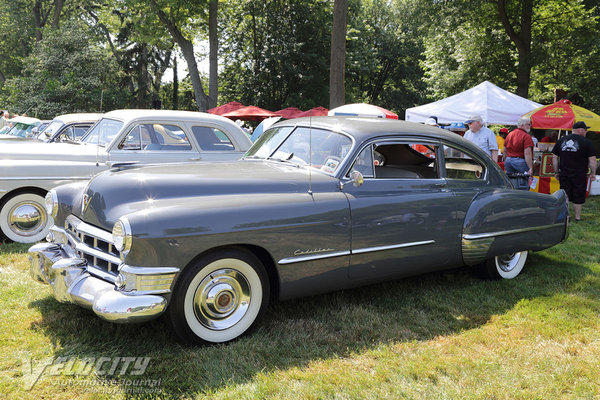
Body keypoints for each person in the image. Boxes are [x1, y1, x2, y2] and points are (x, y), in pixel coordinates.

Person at [552, 121, 597, 222]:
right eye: (585, 130)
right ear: (580, 130)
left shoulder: (561, 140)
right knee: (578, 194)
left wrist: (556, 171)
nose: (586, 132)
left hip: (564, 173)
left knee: (565, 194)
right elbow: (592, 160)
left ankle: (566, 216)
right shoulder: (586, 142)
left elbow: (554, 157)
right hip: (579, 174)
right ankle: (577, 217)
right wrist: (593, 173)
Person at [504, 117, 534, 189]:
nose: (530, 126)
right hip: (520, 161)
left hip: (508, 160)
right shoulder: (526, 136)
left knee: (510, 183)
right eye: (529, 124)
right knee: (522, 185)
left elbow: (504, 150)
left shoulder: (510, 134)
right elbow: (527, 153)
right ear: (523, 125)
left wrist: (506, 160)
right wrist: (530, 167)